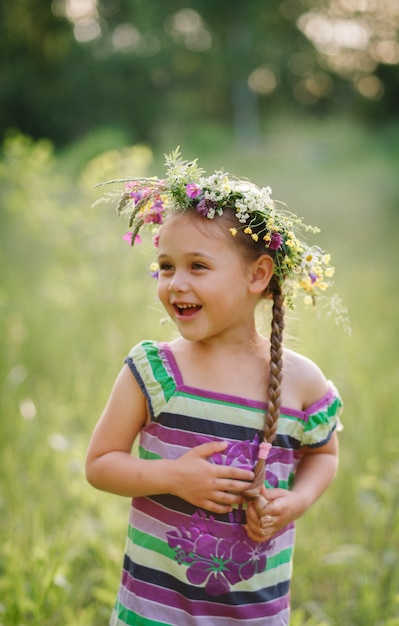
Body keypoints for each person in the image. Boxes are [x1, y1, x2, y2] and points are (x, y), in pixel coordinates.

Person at [86, 148, 344, 626]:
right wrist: (171, 476)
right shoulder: (154, 372)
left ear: (258, 275)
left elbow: (323, 456)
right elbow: (101, 464)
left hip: (253, 614)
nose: (175, 283)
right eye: (166, 266)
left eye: (198, 267)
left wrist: (295, 502)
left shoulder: (300, 382)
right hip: (155, 611)